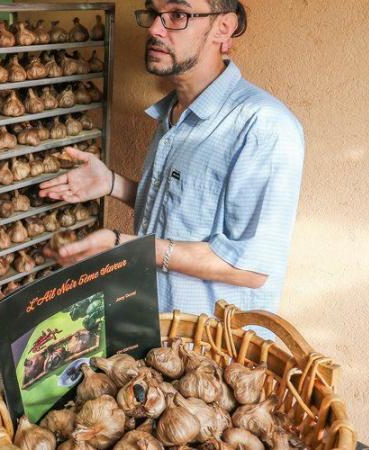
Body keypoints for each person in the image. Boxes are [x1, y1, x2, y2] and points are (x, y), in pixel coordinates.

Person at [39, 0, 305, 317]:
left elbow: (249, 266)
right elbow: (182, 216)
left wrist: (120, 247)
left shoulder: (263, 126)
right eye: (153, 13)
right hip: (156, 339)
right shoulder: (173, 113)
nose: (154, 28)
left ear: (223, 27)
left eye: (178, 15)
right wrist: (112, 184)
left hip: (211, 356)